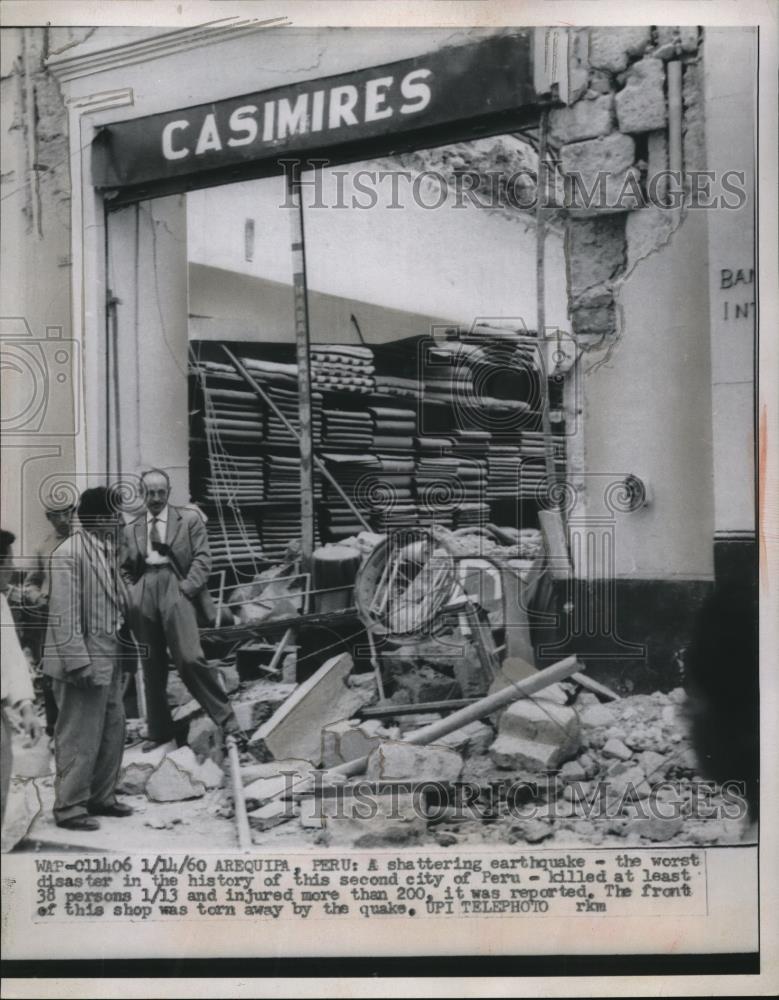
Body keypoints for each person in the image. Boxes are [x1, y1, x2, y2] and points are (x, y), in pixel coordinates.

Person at [121, 468, 243, 751]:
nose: (155, 498)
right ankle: (159, 730)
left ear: (168, 492)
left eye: (160, 492)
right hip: (145, 589)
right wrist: (132, 594)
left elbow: (203, 558)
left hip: (177, 585)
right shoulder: (132, 528)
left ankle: (227, 720)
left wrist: (187, 588)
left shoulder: (188, 520)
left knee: (189, 657)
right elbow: (125, 568)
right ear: (142, 493)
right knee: (152, 665)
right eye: (149, 492)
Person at [42, 488, 131, 831]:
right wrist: (78, 663)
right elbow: (64, 615)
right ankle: (69, 807)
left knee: (112, 728)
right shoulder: (69, 554)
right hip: (81, 663)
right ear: (101, 519)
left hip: (108, 659)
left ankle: (101, 797)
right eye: (116, 515)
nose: (122, 521)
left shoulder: (106, 552)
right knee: (78, 734)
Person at [22, 499, 76, 737]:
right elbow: (30, 583)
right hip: (52, 618)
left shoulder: (84, 542)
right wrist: (37, 598)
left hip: (80, 616)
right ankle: (54, 729)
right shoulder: (43, 548)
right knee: (52, 673)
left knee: (80, 669)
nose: (63, 519)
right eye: (57, 515)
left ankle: (79, 726)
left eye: (67, 513)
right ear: (49, 518)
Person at [1, 529, 43, 825]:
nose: (13, 569)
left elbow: (13, 657)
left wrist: (27, 707)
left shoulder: (1, 603)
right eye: (8, 562)